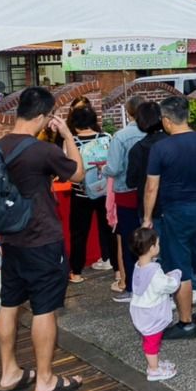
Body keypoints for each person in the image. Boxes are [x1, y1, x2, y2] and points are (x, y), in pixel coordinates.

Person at [0, 86, 85, 391]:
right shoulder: (42, 151)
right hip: (42, 238)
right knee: (44, 308)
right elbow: (78, 175)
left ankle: (9, 372)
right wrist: (68, 136)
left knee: (9, 303)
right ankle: (44, 378)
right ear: (45, 117)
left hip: (11, 239)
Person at [141, 96, 196, 340]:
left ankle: (186, 322)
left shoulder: (161, 148)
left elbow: (151, 188)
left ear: (166, 120)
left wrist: (147, 217)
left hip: (175, 212)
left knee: (179, 267)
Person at [65, 104, 115, 284]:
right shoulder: (106, 137)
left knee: (79, 233)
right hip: (105, 192)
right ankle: (117, 271)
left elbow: (70, 170)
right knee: (109, 230)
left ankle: (77, 272)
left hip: (81, 194)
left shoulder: (71, 141)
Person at [105, 96, 147, 300]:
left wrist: (103, 168)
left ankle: (131, 286)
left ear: (129, 112)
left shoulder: (120, 136)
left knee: (130, 242)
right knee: (151, 240)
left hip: (125, 192)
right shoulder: (154, 133)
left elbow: (113, 168)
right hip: (149, 192)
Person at [128, 227, 181, 382]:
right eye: (157, 244)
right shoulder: (153, 272)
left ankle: (155, 363)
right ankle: (153, 370)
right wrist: (175, 276)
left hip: (140, 310)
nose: (159, 246)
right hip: (150, 313)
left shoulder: (139, 266)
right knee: (152, 341)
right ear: (152, 248)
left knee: (149, 338)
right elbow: (168, 286)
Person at [126, 102, 167, 221]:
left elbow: (131, 182)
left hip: (150, 209)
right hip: (174, 205)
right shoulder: (173, 142)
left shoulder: (137, 149)